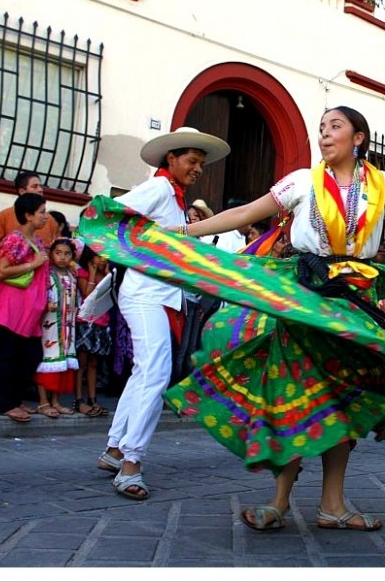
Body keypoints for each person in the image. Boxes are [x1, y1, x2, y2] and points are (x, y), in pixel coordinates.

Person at [82, 105, 385, 530]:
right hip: (303, 295)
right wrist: (181, 234)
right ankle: (279, 500)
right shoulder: (301, 182)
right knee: (295, 391)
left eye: (335, 127)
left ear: (359, 138)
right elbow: (244, 215)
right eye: (321, 128)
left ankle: (332, 504)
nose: (325, 134)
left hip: (353, 301)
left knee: (342, 398)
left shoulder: (384, 186)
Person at [96, 126, 231, 501]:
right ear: (171, 158)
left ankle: (115, 449)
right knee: (155, 374)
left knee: (145, 373)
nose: (197, 169)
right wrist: (130, 253)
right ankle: (131, 464)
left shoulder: (173, 198)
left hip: (155, 294)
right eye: (192, 161)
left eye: (200, 164)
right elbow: (113, 216)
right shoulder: (157, 190)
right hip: (144, 293)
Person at [0, 193, 51, 423]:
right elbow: (2, 270)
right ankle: (5, 403)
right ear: (28, 215)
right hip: (11, 307)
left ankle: (14, 398)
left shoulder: (37, 241)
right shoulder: (15, 240)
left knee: (30, 354)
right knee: (6, 354)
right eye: (41, 212)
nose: (45, 216)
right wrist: (33, 264)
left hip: (28, 311)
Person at [35, 237, 80, 417]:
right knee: (47, 359)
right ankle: (43, 401)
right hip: (50, 325)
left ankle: (56, 401)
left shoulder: (72, 276)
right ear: (51, 254)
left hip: (67, 326)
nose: (62, 257)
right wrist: (46, 305)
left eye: (67, 254)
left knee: (62, 362)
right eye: (58, 253)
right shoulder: (46, 274)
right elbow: (38, 295)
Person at [74, 244, 112, 417]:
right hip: (85, 322)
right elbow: (87, 294)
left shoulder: (106, 275)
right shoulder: (83, 273)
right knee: (81, 363)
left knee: (94, 363)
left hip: (102, 323)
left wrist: (105, 273)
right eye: (99, 256)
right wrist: (91, 273)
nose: (102, 259)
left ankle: (92, 399)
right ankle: (78, 399)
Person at [0, 171, 61, 255]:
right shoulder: (4, 216)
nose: (40, 190)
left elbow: (55, 246)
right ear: (22, 191)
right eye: (34, 187)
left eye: (40, 186)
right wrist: (20, 252)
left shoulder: (49, 219)